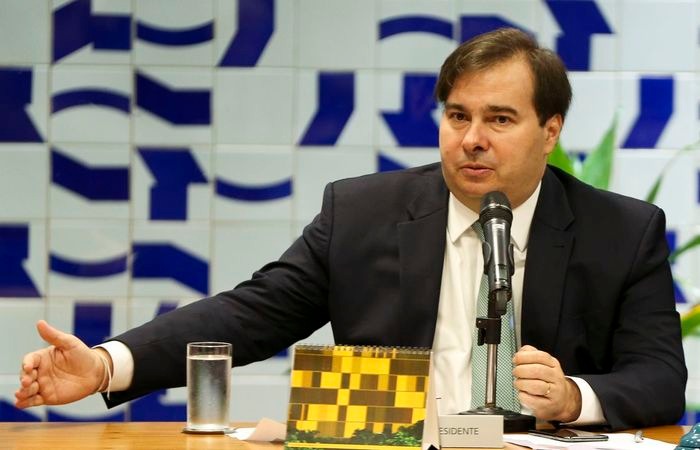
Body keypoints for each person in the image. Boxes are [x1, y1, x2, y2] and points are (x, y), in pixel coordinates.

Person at [16, 28, 686, 430]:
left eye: (500, 120)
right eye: (458, 116)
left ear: (550, 131)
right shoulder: (363, 214)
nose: (472, 140)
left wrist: (571, 397)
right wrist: (105, 363)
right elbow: (248, 315)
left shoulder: (620, 231)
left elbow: (660, 378)